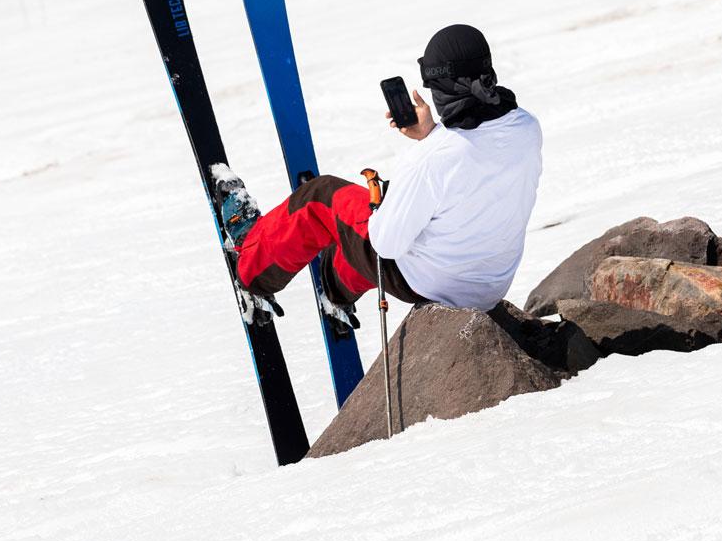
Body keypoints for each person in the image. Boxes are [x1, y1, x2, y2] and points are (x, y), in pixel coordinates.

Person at [219, 24, 543, 324]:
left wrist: (413, 165)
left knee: (321, 198)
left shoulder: (432, 159)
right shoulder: (526, 127)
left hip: (430, 284)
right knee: (390, 221)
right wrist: (431, 135)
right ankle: (335, 289)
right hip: (490, 285)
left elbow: (385, 244)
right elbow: (473, 165)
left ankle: (250, 267)